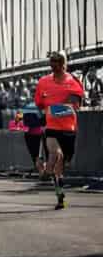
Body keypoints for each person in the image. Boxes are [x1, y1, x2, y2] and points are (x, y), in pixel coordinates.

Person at [34, 51, 85, 209]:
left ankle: (60, 195)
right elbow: (39, 103)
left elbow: (76, 104)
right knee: (56, 154)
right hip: (52, 128)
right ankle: (47, 169)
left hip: (69, 128)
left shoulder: (73, 81)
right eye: (52, 63)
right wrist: (49, 112)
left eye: (57, 63)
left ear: (64, 64)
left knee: (62, 166)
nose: (54, 66)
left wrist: (56, 109)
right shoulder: (43, 82)